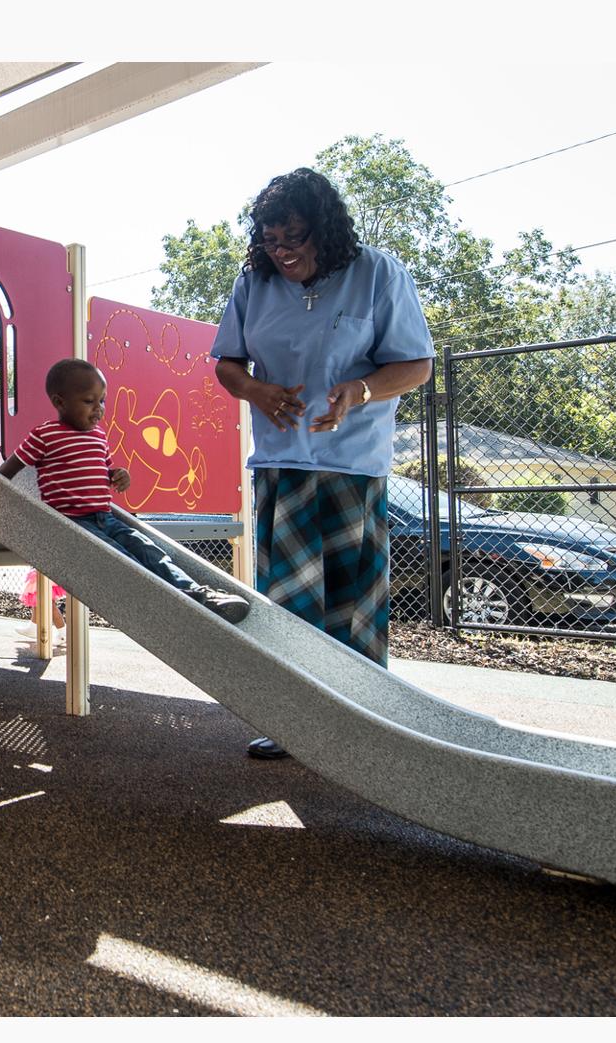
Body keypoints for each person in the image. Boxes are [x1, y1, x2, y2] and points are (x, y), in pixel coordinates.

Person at [210, 167, 435, 760]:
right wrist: (256, 392)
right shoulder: (253, 281)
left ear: (326, 230)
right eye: (270, 239)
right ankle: (290, 721)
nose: (282, 252)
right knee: (287, 599)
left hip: (353, 466)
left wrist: (358, 391)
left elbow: (416, 365)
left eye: (295, 238)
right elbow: (226, 363)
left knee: (354, 601)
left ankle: (361, 722)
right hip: (282, 464)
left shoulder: (377, 272)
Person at [0, 359, 250, 624]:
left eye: (102, 401)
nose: (98, 409)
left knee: (149, 550)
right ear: (60, 402)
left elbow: (104, 470)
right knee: (122, 559)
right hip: (71, 524)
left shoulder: (98, 435)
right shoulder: (45, 434)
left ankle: (199, 595)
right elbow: (12, 466)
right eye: (89, 401)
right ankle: (173, 601)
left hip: (105, 517)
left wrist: (119, 475)